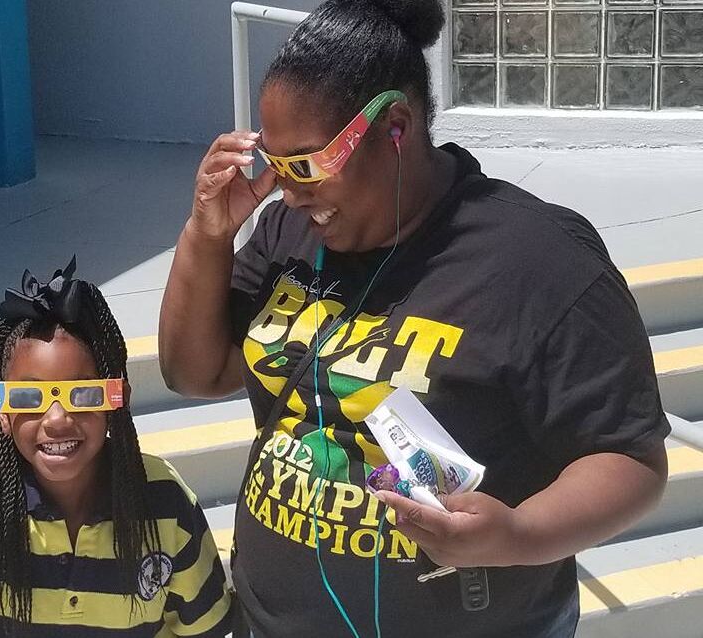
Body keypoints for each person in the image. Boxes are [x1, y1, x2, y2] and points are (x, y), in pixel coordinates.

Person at [158, 0, 669, 636]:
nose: (289, 192)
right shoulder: (288, 230)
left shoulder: (539, 259)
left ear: (395, 125)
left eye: (309, 164)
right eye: (278, 165)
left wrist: (514, 534)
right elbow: (194, 372)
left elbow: (630, 459)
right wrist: (206, 234)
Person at [0, 259, 231, 637]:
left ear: (116, 400)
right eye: (30, 396)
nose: (57, 418)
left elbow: (204, 627)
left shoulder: (161, 499)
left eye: (83, 394)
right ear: (3, 412)